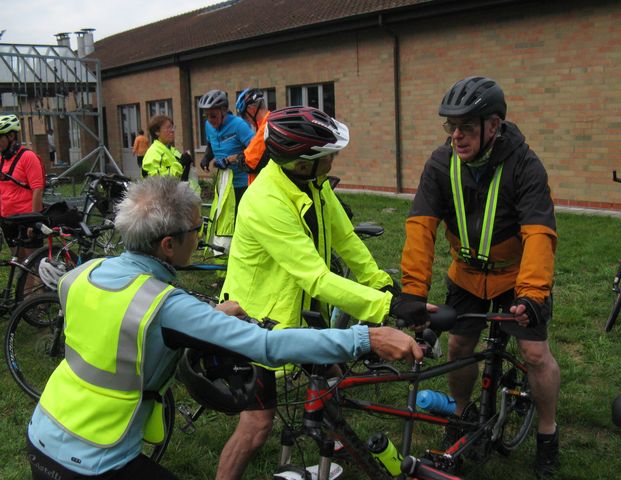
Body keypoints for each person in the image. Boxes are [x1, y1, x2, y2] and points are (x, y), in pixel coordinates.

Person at [26, 176, 422, 480]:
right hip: (95, 456)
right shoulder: (167, 306)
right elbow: (266, 345)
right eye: (195, 231)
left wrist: (208, 314)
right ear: (168, 244)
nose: (199, 238)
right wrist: (368, 336)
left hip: (44, 430)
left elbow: (121, 319)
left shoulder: (80, 274)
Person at [216, 106, 433, 479]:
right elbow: (315, 277)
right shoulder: (265, 201)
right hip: (256, 324)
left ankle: (329, 446)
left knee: (333, 382)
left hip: (301, 315)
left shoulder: (311, 184)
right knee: (256, 426)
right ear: (304, 162)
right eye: (328, 154)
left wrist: (384, 285)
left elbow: (346, 239)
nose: (334, 159)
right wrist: (386, 307)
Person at [399, 76, 560, 478]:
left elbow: (538, 233)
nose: (457, 137)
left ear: (494, 125)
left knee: (535, 355)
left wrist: (534, 296)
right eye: (451, 128)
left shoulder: (525, 164)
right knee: (458, 349)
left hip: (515, 278)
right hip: (467, 276)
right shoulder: (440, 164)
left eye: (467, 128)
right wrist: (414, 293)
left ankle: (547, 431)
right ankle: (460, 411)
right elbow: (421, 228)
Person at [0, 114, 45, 258]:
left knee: (31, 265)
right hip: (8, 219)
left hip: (26, 218)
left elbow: (37, 189)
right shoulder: (1, 159)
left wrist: (34, 220)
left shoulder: (28, 157)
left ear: (11, 136)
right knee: (18, 262)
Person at [198, 90, 254, 204]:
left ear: (223, 110)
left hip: (242, 184)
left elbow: (256, 151)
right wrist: (206, 158)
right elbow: (211, 144)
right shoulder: (208, 125)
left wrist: (230, 160)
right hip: (223, 184)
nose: (209, 120)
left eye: (213, 116)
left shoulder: (239, 125)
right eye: (206, 116)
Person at [141, 115, 200, 195]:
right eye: (168, 127)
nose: (172, 130)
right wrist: (180, 164)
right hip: (163, 203)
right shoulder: (153, 154)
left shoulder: (171, 149)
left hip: (179, 200)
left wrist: (187, 164)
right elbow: (159, 183)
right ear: (157, 132)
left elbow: (181, 176)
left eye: (173, 127)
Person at [235, 88, 270, 185]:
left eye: (244, 116)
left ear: (251, 110)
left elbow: (248, 164)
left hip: (262, 191)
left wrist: (238, 158)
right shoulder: (268, 123)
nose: (246, 120)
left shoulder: (265, 128)